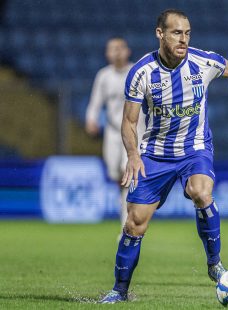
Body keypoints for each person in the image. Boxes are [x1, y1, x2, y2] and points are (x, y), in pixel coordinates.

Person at [99, 9, 228, 304]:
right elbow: (129, 121)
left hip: (194, 148)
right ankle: (119, 291)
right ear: (159, 33)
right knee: (135, 222)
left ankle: (214, 263)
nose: (183, 38)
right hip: (155, 154)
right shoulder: (142, 73)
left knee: (200, 192)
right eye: (176, 32)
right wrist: (133, 156)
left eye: (187, 33)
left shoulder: (203, 61)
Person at [85, 37, 144, 238]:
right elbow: (96, 101)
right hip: (112, 132)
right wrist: (91, 119)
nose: (116, 52)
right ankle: (129, 215)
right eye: (112, 49)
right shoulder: (104, 76)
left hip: (134, 132)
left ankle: (126, 227)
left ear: (127, 51)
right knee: (116, 176)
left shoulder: (137, 71)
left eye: (120, 48)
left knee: (127, 176)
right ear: (107, 54)